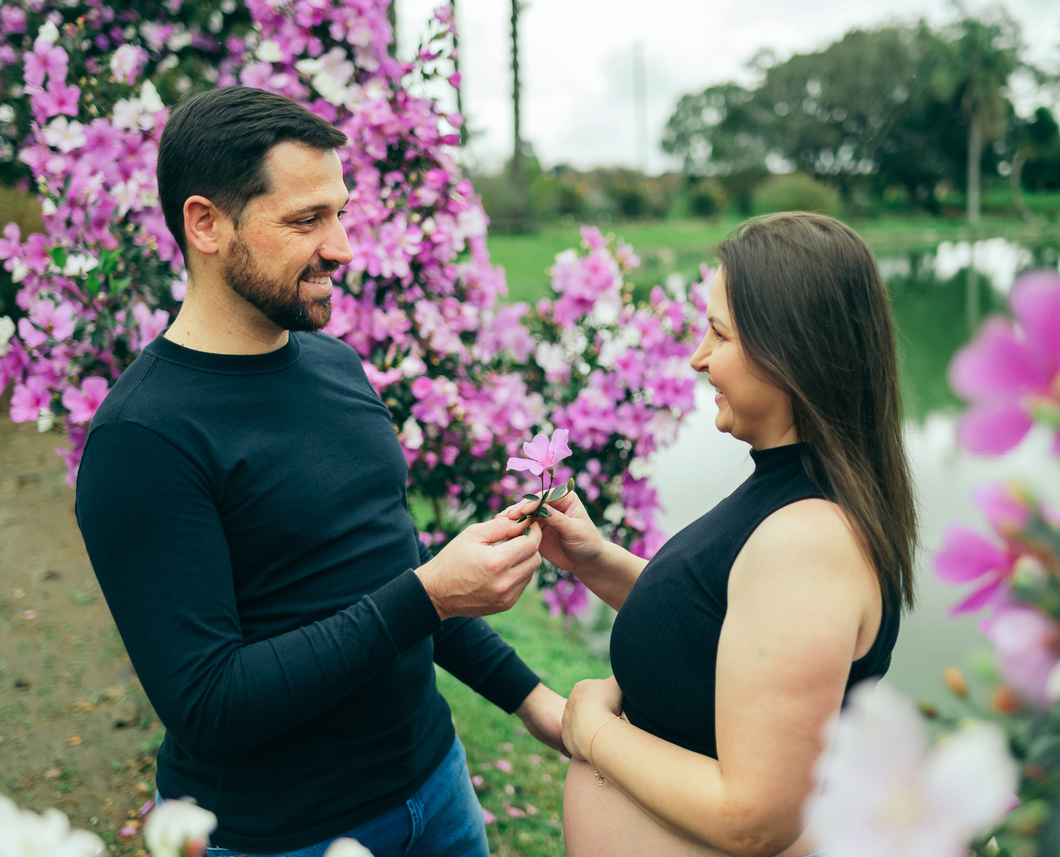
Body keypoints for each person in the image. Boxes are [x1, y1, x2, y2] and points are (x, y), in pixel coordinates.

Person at [74, 86, 566, 857]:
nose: (341, 247)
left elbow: (386, 572)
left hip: (436, 789)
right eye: (307, 220)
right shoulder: (143, 436)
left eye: (339, 212)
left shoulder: (336, 365)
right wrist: (430, 592)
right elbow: (208, 702)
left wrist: (535, 701)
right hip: (280, 837)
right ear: (205, 223)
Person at [507, 212, 917, 856]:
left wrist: (590, 733)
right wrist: (596, 560)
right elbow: (720, 624)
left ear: (790, 355)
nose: (698, 358)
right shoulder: (792, 492)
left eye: (718, 334)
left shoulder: (811, 541)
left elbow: (752, 818)